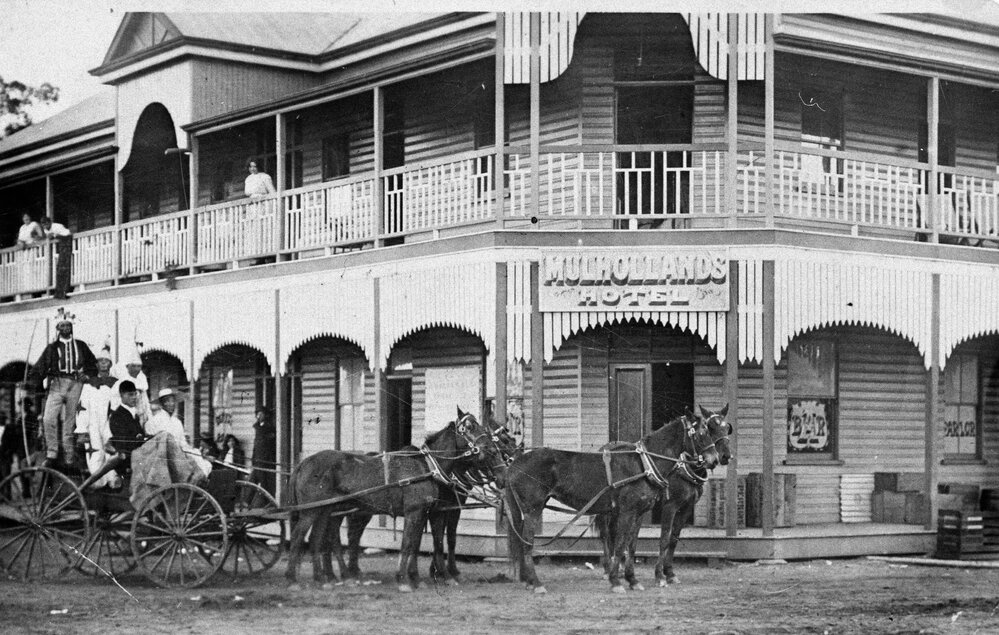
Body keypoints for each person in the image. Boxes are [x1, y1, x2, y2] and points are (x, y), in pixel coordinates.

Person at [29, 311, 98, 469]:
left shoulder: (80, 345)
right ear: (58, 328)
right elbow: (39, 368)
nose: (65, 328)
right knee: (48, 418)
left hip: (75, 383)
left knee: (70, 421)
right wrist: (34, 381)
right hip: (58, 383)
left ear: (71, 327)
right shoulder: (52, 348)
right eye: (62, 326)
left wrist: (86, 375)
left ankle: (69, 455)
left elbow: (92, 363)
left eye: (68, 325)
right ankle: (52, 452)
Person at [77, 343, 119, 487]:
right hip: (93, 423)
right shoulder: (89, 384)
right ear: (96, 364)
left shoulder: (115, 384)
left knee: (111, 452)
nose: (103, 364)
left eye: (106, 361)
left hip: (109, 422)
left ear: (110, 364)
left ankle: (112, 481)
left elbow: (117, 405)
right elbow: (83, 407)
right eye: (100, 361)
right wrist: (82, 428)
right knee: (95, 452)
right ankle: (98, 484)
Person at [147, 388, 212, 477]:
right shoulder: (154, 421)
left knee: (202, 460)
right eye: (167, 402)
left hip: (180, 454)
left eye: (173, 402)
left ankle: (201, 478)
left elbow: (183, 443)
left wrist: (192, 451)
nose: (171, 404)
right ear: (162, 404)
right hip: (165, 458)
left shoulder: (177, 422)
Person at [106, 380, 148, 472]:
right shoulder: (117, 416)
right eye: (130, 395)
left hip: (137, 455)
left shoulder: (133, 415)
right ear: (121, 395)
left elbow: (139, 436)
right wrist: (142, 439)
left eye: (135, 394)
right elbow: (124, 443)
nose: (134, 398)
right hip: (127, 459)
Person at [110, 342, 152, 427]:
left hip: (141, 417)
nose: (136, 369)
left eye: (138, 366)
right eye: (133, 366)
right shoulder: (120, 383)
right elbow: (114, 403)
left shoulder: (142, 380)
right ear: (127, 367)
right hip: (125, 418)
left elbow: (145, 402)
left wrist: (149, 418)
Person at [40, 217, 73, 299]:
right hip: (61, 247)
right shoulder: (46, 230)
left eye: (46, 224)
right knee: (59, 269)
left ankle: (64, 291)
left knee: (64, 269)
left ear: (50, 222)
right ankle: (59, 292)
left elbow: (68, 234)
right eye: (43, 225)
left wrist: (55, 235)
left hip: (66, 244)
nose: (45, 226)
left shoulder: (57, 226)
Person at [249, 406, 276, 496]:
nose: (259, 416)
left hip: (266, 459)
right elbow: (256, 445)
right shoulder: (257, 427)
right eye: (258, 414)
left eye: (261, 414)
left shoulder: (269, 427)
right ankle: (246, 502)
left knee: (265, 483)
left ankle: (265, 501)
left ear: (265, 415)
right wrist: (253, 458)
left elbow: (270, 445)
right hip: (257, 458)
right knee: (252, 481)